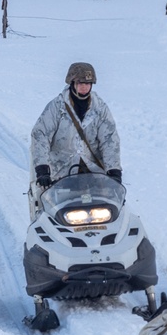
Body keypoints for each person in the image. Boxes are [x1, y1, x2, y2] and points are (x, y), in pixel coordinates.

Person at [28, 62, 122, 218]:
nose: (84, 87)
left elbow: (109, 139)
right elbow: (40, 135)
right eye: (80, 83)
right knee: (56, 215)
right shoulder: (57, 107)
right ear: (72, 82)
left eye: (88, 83)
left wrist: (114, 171)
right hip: (61, 173)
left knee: (106, 212)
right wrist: (43, 170)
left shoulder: (100, 109)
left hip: (93, 173)